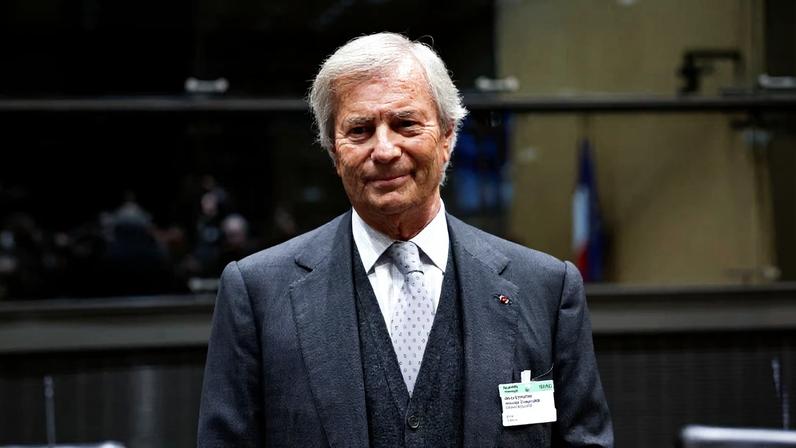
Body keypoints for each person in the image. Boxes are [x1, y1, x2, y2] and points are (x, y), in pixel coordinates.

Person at [198, 32, 613, 447]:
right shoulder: (257, 293)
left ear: (448, 137)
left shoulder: (544, 288)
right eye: (360, 130)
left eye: (405, 124)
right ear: (332, 152)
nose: (384, 149)